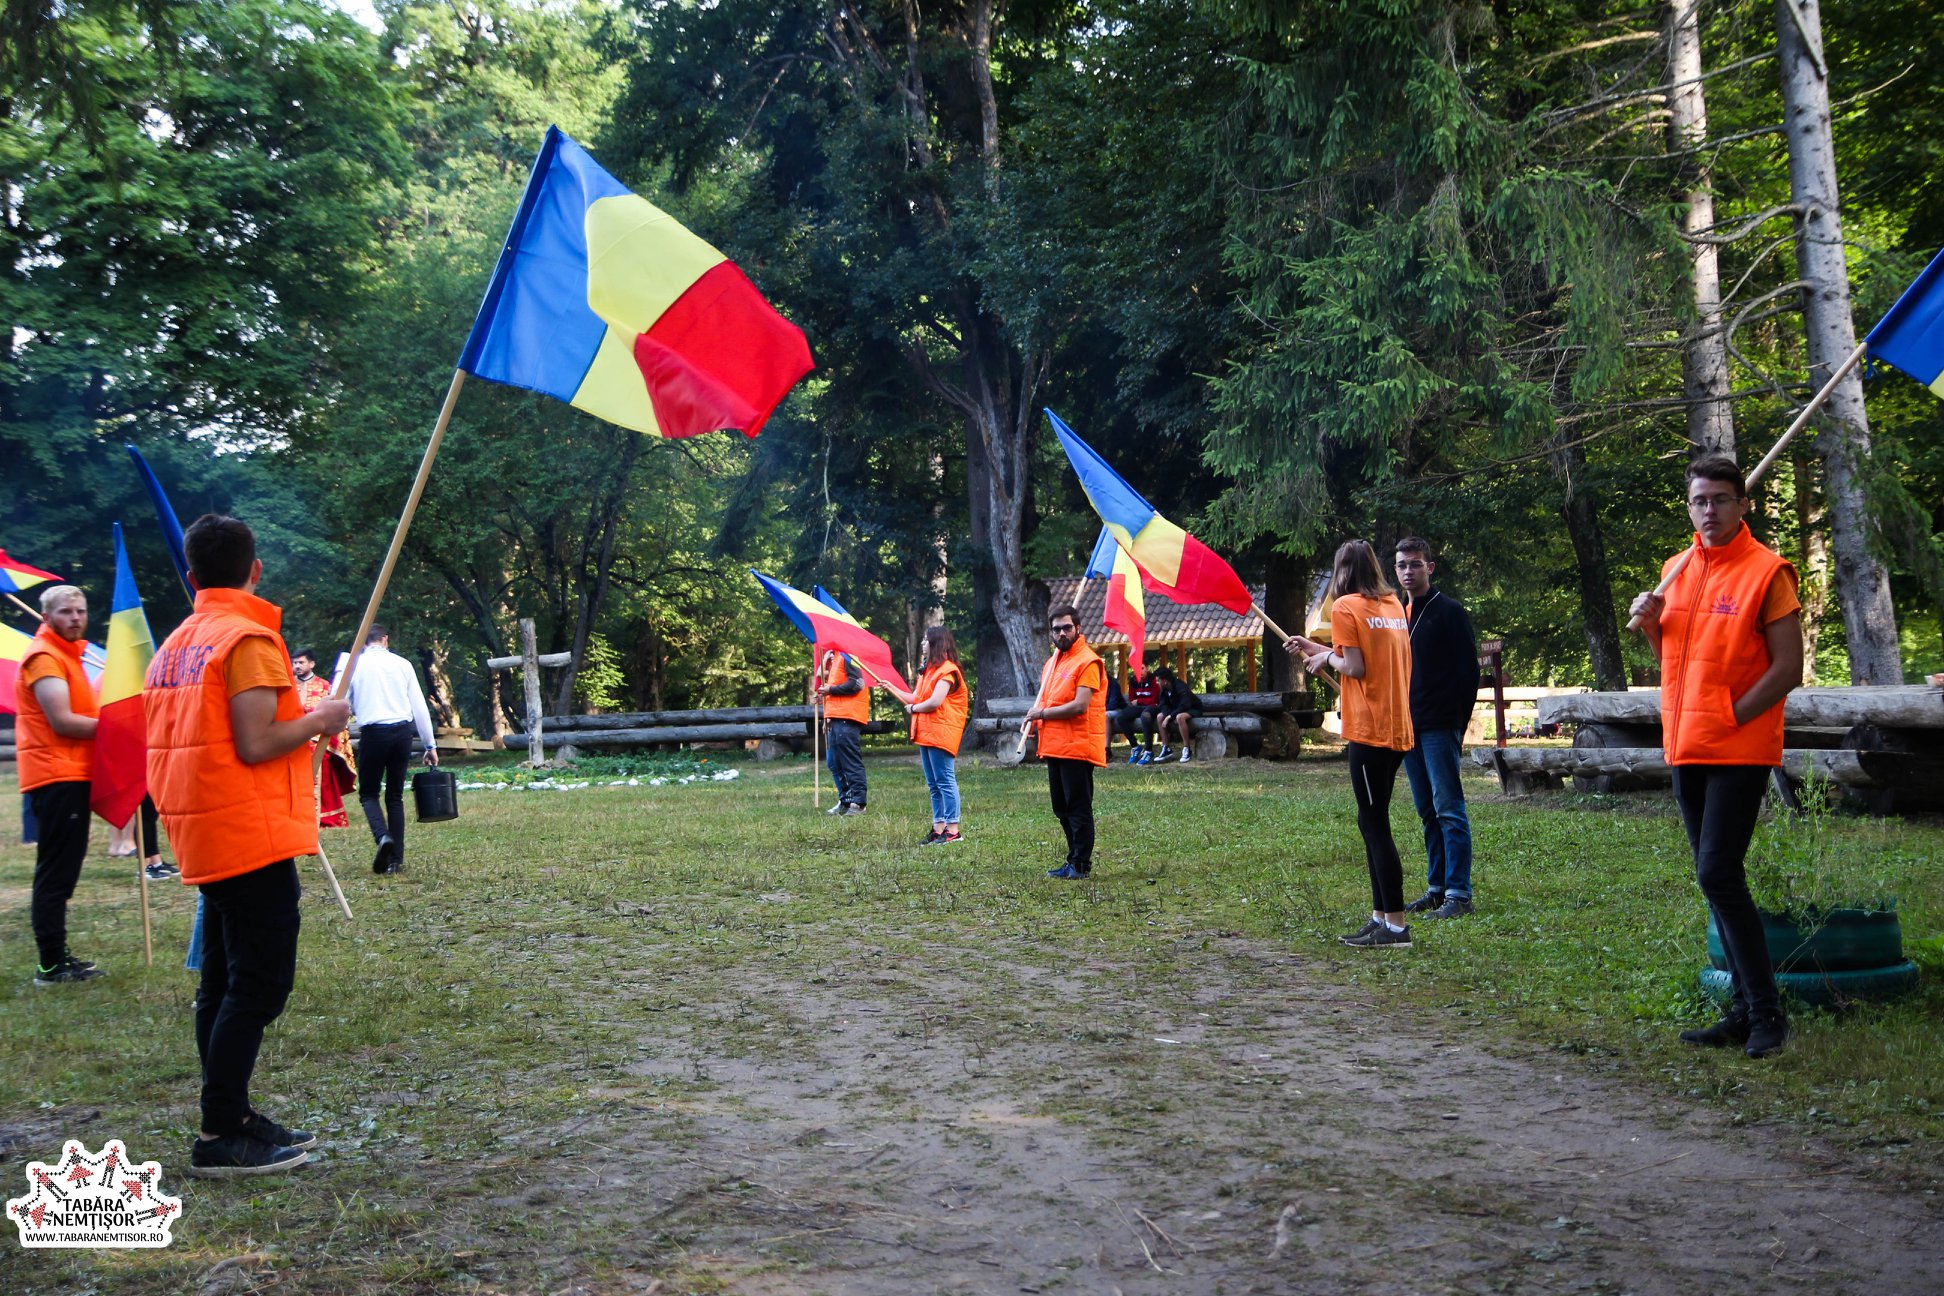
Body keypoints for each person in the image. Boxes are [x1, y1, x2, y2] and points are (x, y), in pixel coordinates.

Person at [145, 512, 349, 1177]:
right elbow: (256, 741)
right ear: (255, 569)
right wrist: (321, 717)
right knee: (259, 984)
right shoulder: (247, 639)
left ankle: (231, 1115)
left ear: (191, 577)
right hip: (245, 830)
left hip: (202, 824)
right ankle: (217, 1134)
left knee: (222, 979)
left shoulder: (176, 643)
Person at [1629, 455, 1802, 1060]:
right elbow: (1674, 660)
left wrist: (1731, 715)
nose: (1710, 510)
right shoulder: (1675, 570)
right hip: (1686, 744)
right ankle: (1743, 1010)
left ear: (1742, 504)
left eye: (1721, 499)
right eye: (1700, 501)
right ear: (1690, 507)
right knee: (1716, 880)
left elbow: (1787, 669)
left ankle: (1767, 1014)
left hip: (1738, 746)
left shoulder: (1768, 572)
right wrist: (1654, 624)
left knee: (1718, 873)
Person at [1286, 540, 1415, 948]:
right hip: (1397, 728)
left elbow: (1354, 667)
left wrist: (1326, 660)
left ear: (1341, 571)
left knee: (1375, 825)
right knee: (1369, 820)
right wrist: (1319, 650)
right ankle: (1380, 917)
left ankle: (1396, 927)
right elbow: (1368, 657)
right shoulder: (1393, 605)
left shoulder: (1344, 606)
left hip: (1369, 731)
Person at [16, 584, 104, 984]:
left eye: (80, 611)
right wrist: (119, 729)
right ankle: (50, 964)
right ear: (46, 617)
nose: (75, 618)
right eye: (66, 612)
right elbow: (63, 721)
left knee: (62, 870)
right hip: (56, 776)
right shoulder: (45, 658)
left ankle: (55, 957)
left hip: (70, 774)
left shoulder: (67, 655)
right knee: (56, 873)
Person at [1394, 537, 1479, 920]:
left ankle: (1459, 894)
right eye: (1401, 565)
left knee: (1449, 808)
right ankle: (1437, 888)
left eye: (1415, 564)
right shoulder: (1398, 614)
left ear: (1430, 567)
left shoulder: (1449, 611)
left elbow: (1468, 674)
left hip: (1440, 726)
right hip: (1408, 727)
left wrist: (1456, 723)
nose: (1408, 571)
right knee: (1427, 810)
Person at [335, 625, 437, 874]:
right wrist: (429, 745)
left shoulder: (354, 665)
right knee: (394, 796)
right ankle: (395, 860)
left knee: (369, 794)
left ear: (363, 642)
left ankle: (382, 836)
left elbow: (338, 700)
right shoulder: (402, 664)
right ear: (385, 639)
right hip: (402, 733)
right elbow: (419, 706)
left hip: (374, 733)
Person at [1027, 604, 1108, 879]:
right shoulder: (1052, 664)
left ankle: (1081, 864)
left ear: (1078, 629)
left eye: (1067, 628)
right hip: (1054, 745)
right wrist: (1034, 721)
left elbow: (1079, 706)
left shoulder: (1088, 662)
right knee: (1061, 808)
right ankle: (1073, 859)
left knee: (1077, 807)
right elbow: (1048, 702)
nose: (1061, 633)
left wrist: (1041, 714)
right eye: (1056, 629)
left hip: (1078, 746)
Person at [887, 625, 970, 844]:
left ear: (936, 643)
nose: (923, 643)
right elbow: (916, 698)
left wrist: (914, 709)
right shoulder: (929, 671)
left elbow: (934, 702)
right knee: (933, 784)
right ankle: (938, 827)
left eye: (926, 640)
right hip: (927, 733)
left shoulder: (948, 671)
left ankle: (953, 830)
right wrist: (891, 688)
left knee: (945, 780)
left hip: (941, 733)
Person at [292, 648, 355, 829]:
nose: (297, 666)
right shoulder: (288, 687)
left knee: (323, 771)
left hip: (318, 741)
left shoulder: (325, 687)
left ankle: (324, 816)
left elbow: (333, 716)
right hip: (292, 741)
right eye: (295, 663)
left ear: (312, 664)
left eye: (301, 662)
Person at [818, 651, 871, 815]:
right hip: (836, 715)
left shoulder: (849, 654)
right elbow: (825, 678)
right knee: (834, 762)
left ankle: (858, 803)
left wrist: (831, 690)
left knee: (849, 761)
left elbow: (857, 683)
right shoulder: (836, 656)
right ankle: (845, 801)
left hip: (848, 715)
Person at [1153, 666, 1202, 763]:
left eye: (1158, 680)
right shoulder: (1164, 689)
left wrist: (1170, 716)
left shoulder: (1180, 686)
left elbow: (1185, 705)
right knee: (1160, 717)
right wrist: (1168, 715)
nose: (1157, 683)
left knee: (1180, 717)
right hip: (1176, 710)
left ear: (1165, 681)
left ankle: (1187, 749)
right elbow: (1162, 705)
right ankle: (1166, 748)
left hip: (1192, 708)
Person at [1114, 666, 1161, 763]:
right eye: (1138, 668)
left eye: (1142, 668)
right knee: (1120, 717)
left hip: (1153, 707)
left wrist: (1139, 701)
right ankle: (1135, 746)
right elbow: (1132, 699)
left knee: (1145, 716)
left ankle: (1148, 750)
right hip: (1139, 707)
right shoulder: (1133, 681)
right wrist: (1138, 702)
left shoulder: (1154, 680)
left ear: (1147, 669)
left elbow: (1155, 699)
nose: (1140, 671)